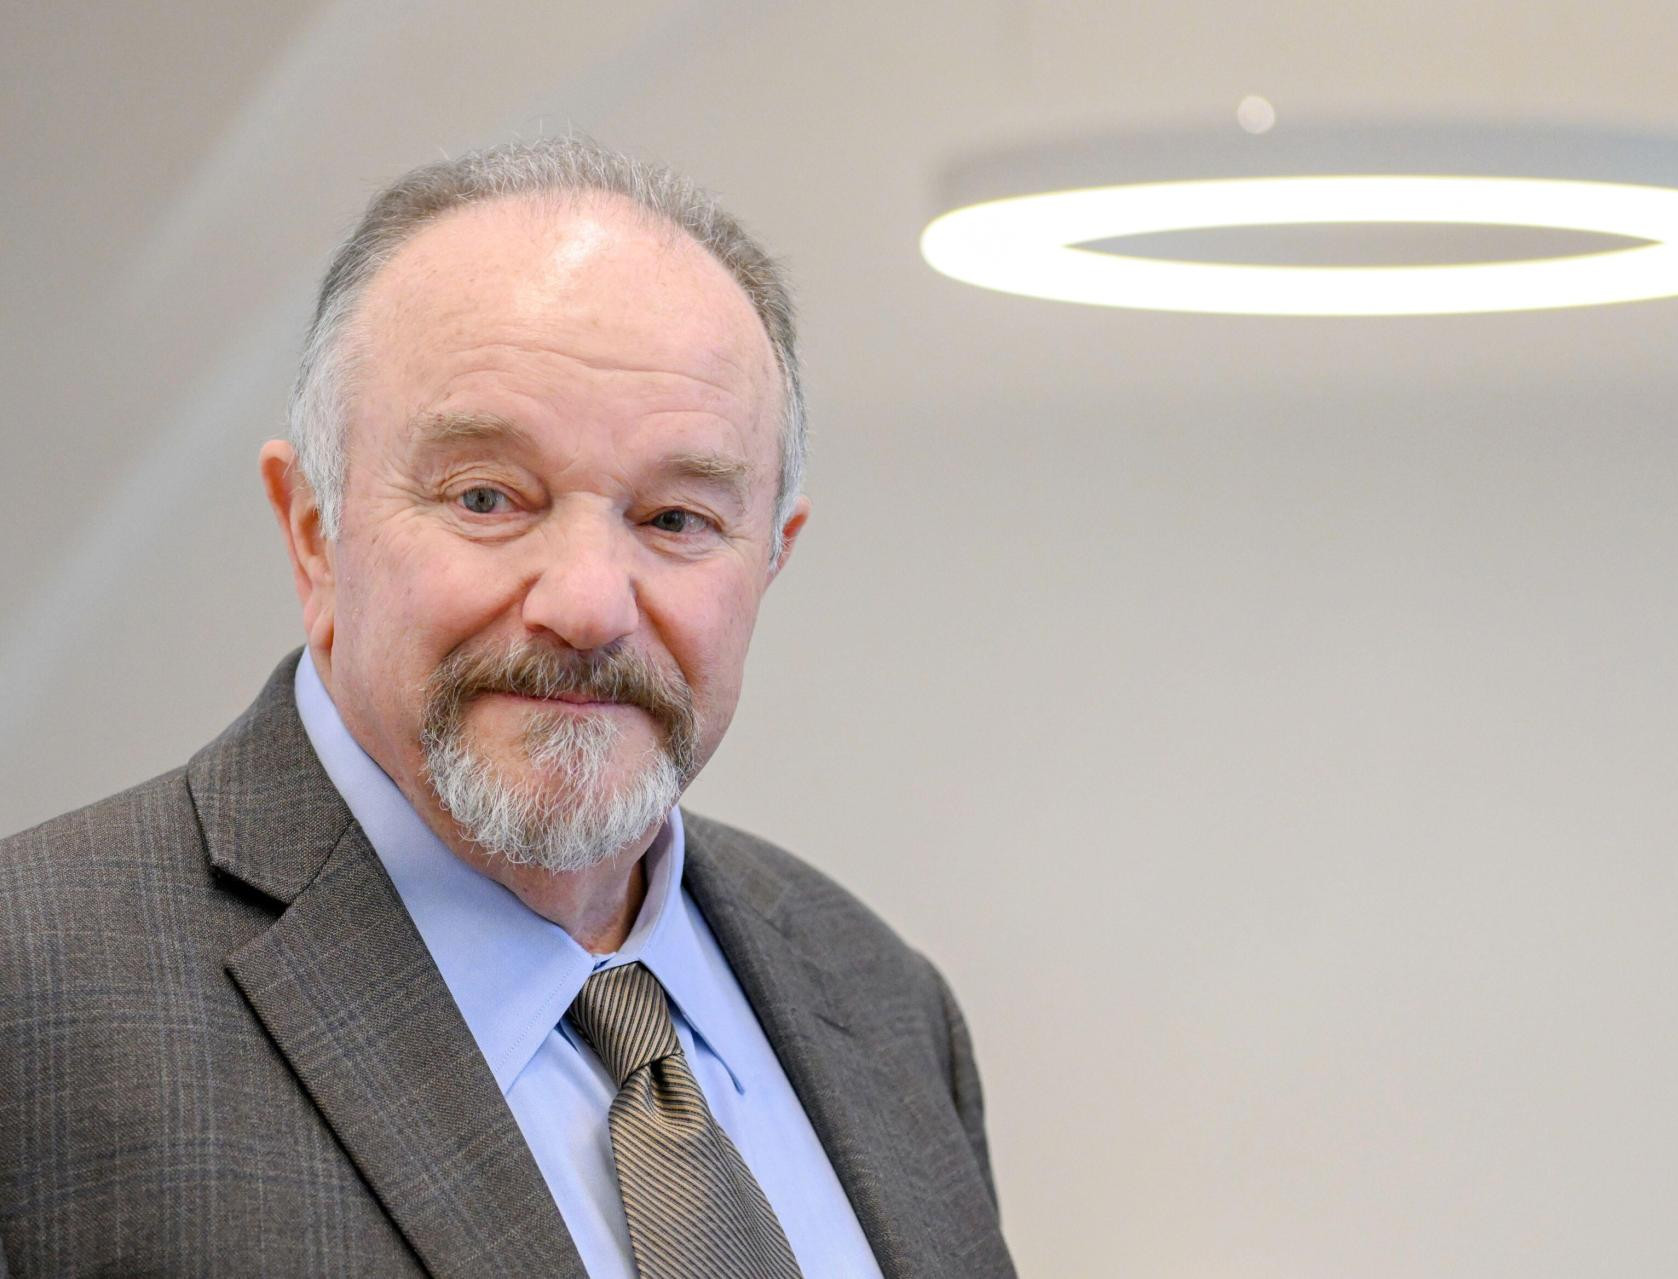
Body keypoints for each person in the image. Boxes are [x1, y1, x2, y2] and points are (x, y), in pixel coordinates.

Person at [0, 138, 1016, 1279]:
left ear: (772, 557)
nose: (586, 605)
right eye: (487, 497)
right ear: (314, 532)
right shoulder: (31, 996)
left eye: (677, 519)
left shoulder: (885, 1004)